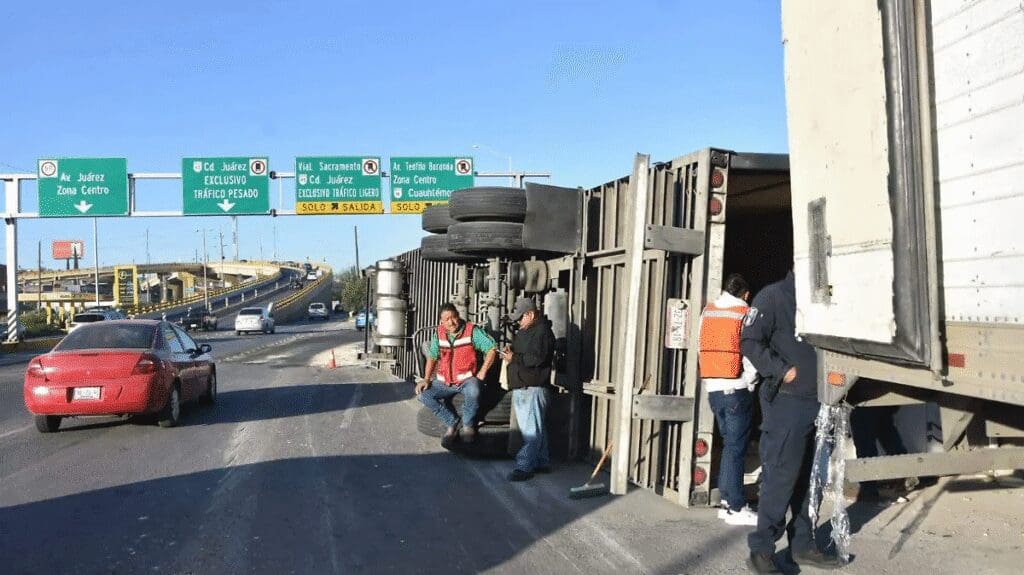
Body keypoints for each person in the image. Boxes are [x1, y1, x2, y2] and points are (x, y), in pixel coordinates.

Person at [741, 271, 843, 573]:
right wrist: (781, 369)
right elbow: (749, 341)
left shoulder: (823, 300)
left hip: (820, 402)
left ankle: (802, 545)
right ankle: (761, 550)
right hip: (787, 403)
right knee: (780, 478)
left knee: (810, 480)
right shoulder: (773, 297)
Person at [699, 273, 759, 526]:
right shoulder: (744, 312)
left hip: (713, 388)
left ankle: (726, 504)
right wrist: (751, 380)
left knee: (728, 447)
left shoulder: (708, 311)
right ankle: (735, 506)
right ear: (745, 294)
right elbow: (750, 351)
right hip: (735, 388)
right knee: (736, 449)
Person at [415, 302, 497, 446]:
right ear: (441, 321)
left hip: (466, 380)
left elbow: (491, 349)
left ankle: (468, 425)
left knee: (475, 390)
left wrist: (483, 371)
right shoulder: (439, 334)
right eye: (447, 319)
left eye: (453, 317)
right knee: (422, 395)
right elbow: (432, 356)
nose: (451, 322)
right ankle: (451, 422)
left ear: (458, 316)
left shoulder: (471, 330)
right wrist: (426, 379)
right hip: (444, 382)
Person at [501, 298, 556, 482]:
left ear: (530, 314)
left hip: (531, 387)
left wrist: (513, 357)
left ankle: (524, 467)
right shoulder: (528, 331)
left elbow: (536, 359)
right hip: (525, 386)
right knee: (535, 428)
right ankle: (541, 461)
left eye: (519, 319)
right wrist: (512, 351)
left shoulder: (542, 333)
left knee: (531, 431)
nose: (517, 323)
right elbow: (525, 355)